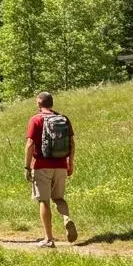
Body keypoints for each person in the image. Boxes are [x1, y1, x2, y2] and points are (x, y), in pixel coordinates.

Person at [25, 92, 78, 247]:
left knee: (44, 201)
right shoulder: (64, 119)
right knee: (59, 198)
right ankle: (66, 218)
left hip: (42, 166)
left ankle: (49, 239)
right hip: (61, 165)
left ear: (39, 103)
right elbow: (72, 144)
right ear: (51, 103)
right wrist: (70, 163)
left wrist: (27, 167)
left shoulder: (36, 119)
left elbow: (30, 145)